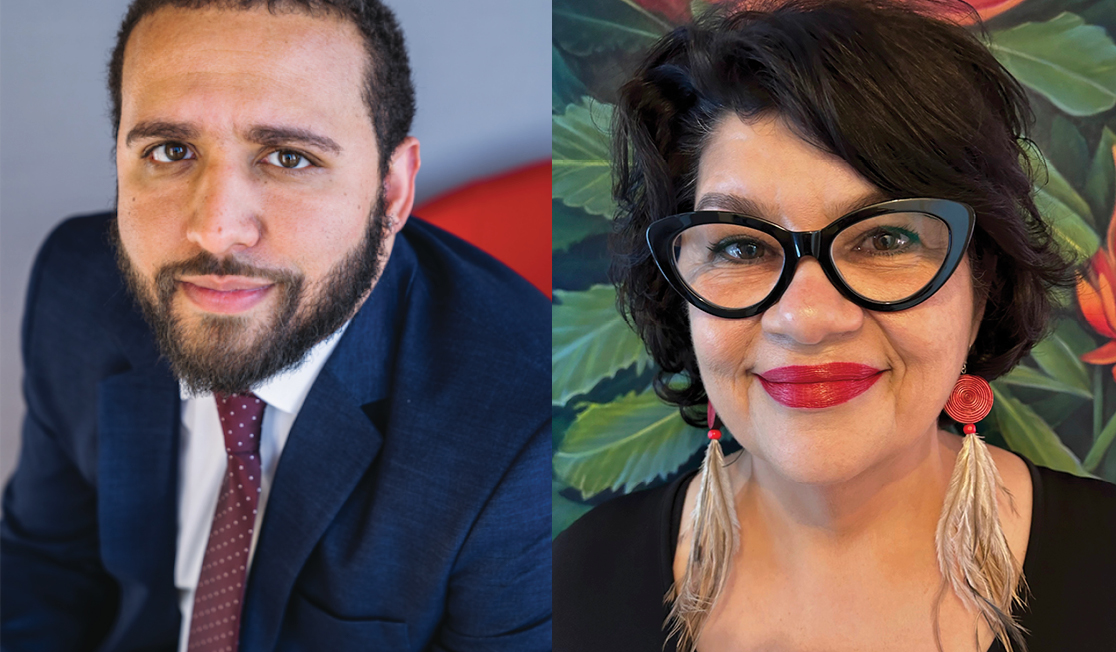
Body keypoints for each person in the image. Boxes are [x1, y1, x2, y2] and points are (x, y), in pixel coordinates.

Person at [553, 1, 1116, 650]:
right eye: (740, 247)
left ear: (981, 279)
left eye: (885, 239)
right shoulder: (575, 586)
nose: (806, 318)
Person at [1, 1, 550, 650]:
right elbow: (45, 574)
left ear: (393, 191)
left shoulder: (529, 431)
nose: (216, 228)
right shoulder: (79, 287)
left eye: (288, 158)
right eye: (171, 150)